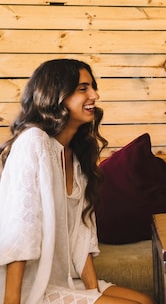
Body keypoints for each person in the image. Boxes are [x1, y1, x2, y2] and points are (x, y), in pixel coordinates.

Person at [0, 59, 155, 304]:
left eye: (92, 87)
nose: (95, 94)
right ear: (56, 94)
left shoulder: (75, 154)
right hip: (31, 287)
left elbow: (81, 233)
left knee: (146, 301)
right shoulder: (34, 142)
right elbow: (21, 228)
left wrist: (92, 292)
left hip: (65, 279)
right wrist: (12, 301)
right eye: (83, 88)